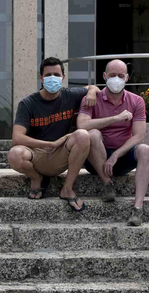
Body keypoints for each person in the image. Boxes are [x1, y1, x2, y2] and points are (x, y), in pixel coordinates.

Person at [7, 57, 94, 210]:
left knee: (83, 135)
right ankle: (36, 178)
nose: (52, 78)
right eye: (48, 75)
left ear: (63, 78)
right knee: (14, 154)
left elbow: (93, 87)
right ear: (41, 78)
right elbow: (17, 138)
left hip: (61, 154)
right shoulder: (28, 103)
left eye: (56, 74)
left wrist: (92, 92)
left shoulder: (70, 95)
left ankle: (67, 188)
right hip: (36, 155)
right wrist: (50, 144)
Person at [76, 58, 149, 226]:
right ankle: (107, 184)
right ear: (104, 76)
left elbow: (139, 135)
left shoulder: (136, 101)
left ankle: (138, 208)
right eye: (112, 75)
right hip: (96, 160)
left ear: (126, 77)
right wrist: (116, 118)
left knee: (146, 149)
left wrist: (117, 155)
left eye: (120, 75)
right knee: (92, 134)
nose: (116, 79)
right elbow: (81, 125)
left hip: (123, 158)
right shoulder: (91, 98)